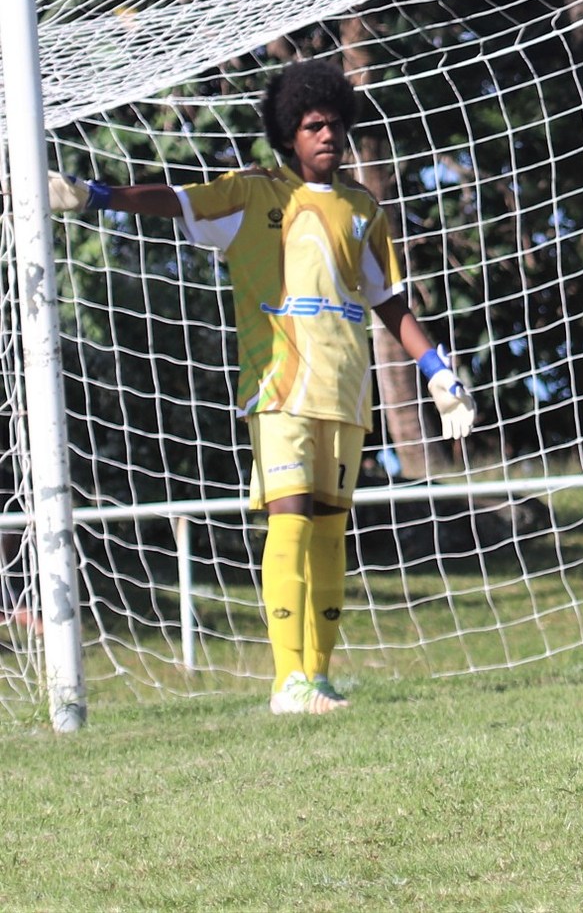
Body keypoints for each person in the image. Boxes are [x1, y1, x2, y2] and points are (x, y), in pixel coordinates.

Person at [47, 59, 477, 714]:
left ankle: (320, 676)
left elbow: (392, 304)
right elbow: (177, 198)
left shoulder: (364, 209)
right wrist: (98, 195)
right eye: (311, 125)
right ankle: (287, 681)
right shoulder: (252, 194)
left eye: (333, 123)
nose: (326, 135)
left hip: (347, 391)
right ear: (288, 134)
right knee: (291, 520)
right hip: (278, 390)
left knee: (333, 531)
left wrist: (440, 374)